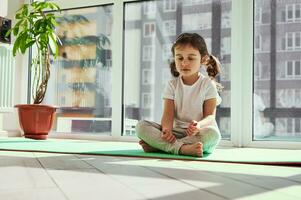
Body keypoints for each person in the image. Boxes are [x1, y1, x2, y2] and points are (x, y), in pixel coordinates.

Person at [136, 33, 222, 157]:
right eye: (179, 58)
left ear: (203, 60)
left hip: (198, 133)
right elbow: (168, 115)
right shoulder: (172, 85)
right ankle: (182, 149)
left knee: (213, 135)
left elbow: (210, 117)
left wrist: (199, 125)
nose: (184, 63)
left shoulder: (208, 85)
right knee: (141, 126)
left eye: (191, 58)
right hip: (176, 133)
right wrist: (166, 131)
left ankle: (162, 147)